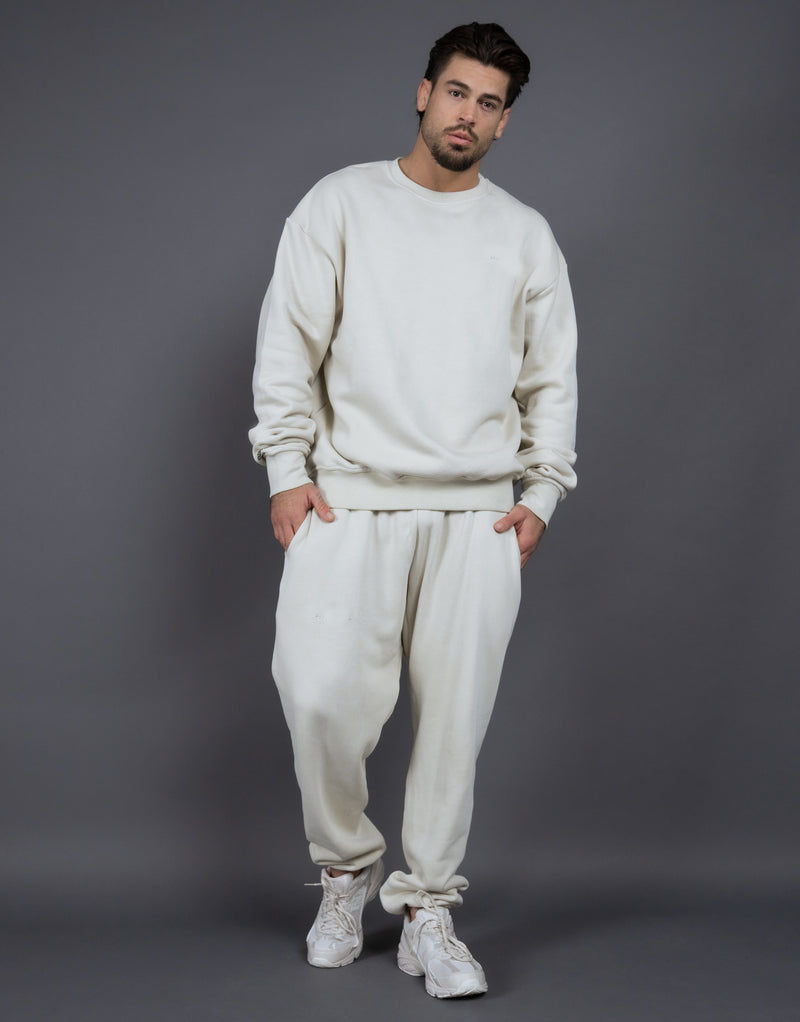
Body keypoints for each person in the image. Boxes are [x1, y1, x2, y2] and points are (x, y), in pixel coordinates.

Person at [248, 20, 578, 999]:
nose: (468, 114)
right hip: (348, 501)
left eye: (489, 102)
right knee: (317, 692)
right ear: (423, 93)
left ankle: (428, 906)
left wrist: (541, 492)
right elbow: (287, 344)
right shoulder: (341, 204)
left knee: (453, 727)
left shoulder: (523, 234)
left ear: (505, 122)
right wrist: (286, 470)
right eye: (457, 91)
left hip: (477, 516)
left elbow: (550, 378)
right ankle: (345, 871)